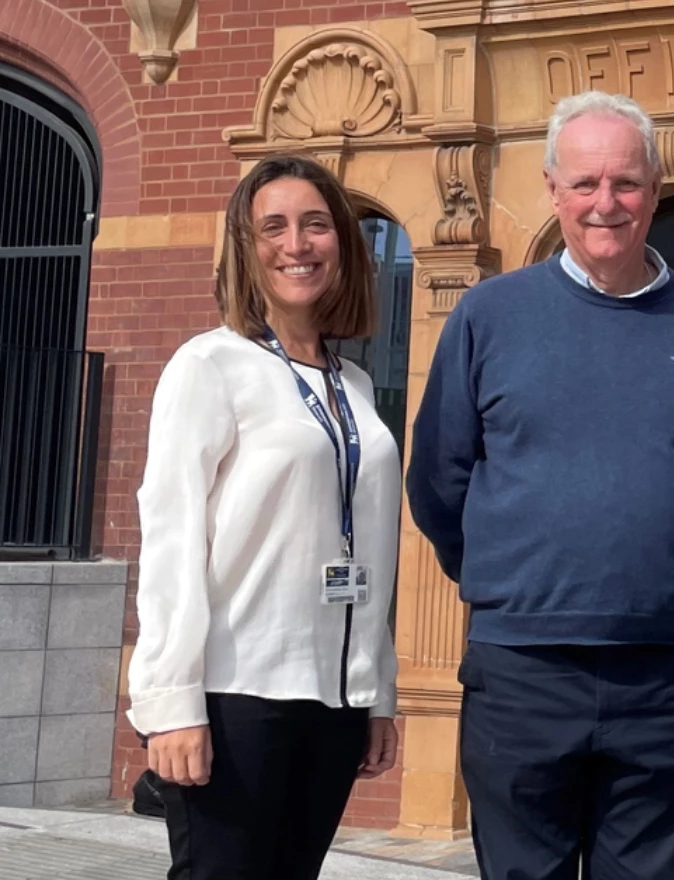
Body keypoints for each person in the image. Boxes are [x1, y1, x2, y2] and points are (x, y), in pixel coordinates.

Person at [405, 90, 674, 880]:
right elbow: (438, 479)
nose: (608, 203)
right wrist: (514, 573)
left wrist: (651, 564)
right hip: (522, 668)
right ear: (553, 189)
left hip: (663, 672)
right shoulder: (488, 316)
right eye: (587, 184)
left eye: (627, 183)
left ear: (655, 191)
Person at [127, 152, 401, 880]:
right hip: (237, 695)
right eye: (272, 227)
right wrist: (170, 701)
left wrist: (376, 691)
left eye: (316, 225)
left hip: (333, 696)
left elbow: (368, 546)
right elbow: (172, 537)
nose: (297, 244)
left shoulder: (355, 386)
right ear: (245, 250)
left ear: (342, 241)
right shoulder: (209, 365)